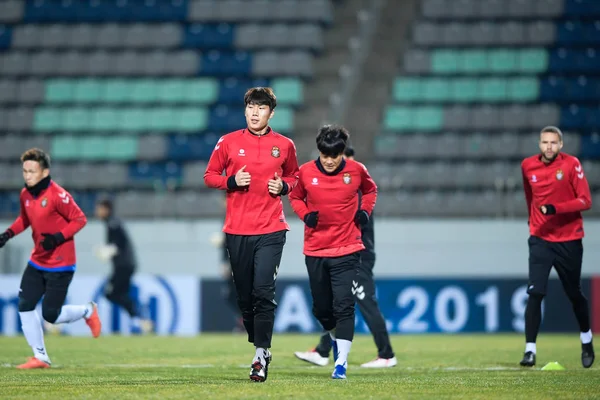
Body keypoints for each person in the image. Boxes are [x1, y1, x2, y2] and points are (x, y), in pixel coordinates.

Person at [204, 87, 300, 382]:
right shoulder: (228, 142)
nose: (255, 112)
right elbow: (209, 176)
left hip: (271, 228)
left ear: (271, 113)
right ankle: (260, 344)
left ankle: (260, 354)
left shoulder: (284, 145)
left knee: (263, 291)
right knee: (244, 297)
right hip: (237, 230)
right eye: (251, 107)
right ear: (245, 110)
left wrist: (283, 186)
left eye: (261, 108)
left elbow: (294, 177)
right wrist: (231, 181)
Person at [294, 145, 397, 368]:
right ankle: (323, 351)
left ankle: (386, 354)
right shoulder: (347, 189)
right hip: (343, 252)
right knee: (336, 304)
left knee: (365, 303)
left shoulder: (356, 190)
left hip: (358, 254)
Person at [289, 125, 377, 379]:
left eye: (334, 156)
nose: (329, 161)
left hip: (348, 247)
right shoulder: (305, 172)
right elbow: (294, 197)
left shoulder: (357, 170)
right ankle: (333, 338)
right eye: (325, 156)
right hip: (316, 249)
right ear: (319, 151)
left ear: (342, 153)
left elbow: (370, 190)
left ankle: (341, 364)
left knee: (344, 305)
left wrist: (364, 211)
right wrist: (306, 215)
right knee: (321, 309)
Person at [0, 148, 101, 369]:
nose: (27, 175)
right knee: (25, 304)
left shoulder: (58, 195)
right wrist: (8, 234)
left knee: (51, 315)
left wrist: (57, 238)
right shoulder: (25, 194)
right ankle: (40, 357)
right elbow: (24, 219)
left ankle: (88, 310)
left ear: (45, 172)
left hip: (61, 264)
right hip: (37, 261)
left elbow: (79, 219)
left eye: (32, 171)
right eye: (25, 171)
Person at [520, 126, 594, 368]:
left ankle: (586, 339)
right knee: (535, 292)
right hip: (540, 238)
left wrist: (555, 208)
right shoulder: (527, 166)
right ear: (539, 144)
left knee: (574, 293)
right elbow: (530, 196)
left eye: (553, 142)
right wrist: (534, 221)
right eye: (544, 142)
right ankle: (529, 350)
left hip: (569, 238)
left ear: (561, 145)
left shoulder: (572, 164)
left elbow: (586, 201)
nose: (549, 146)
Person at [94, 197, 153, 335]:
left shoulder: (113, 224)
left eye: (99, 209)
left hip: (124, 266)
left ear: (106, 209)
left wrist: (108, 251)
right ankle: (140, 320)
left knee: (110, 293)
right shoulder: (112, 223)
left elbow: (119, 244)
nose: (97, 212)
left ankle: (138, 317)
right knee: (121, 294)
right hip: (126, 265)